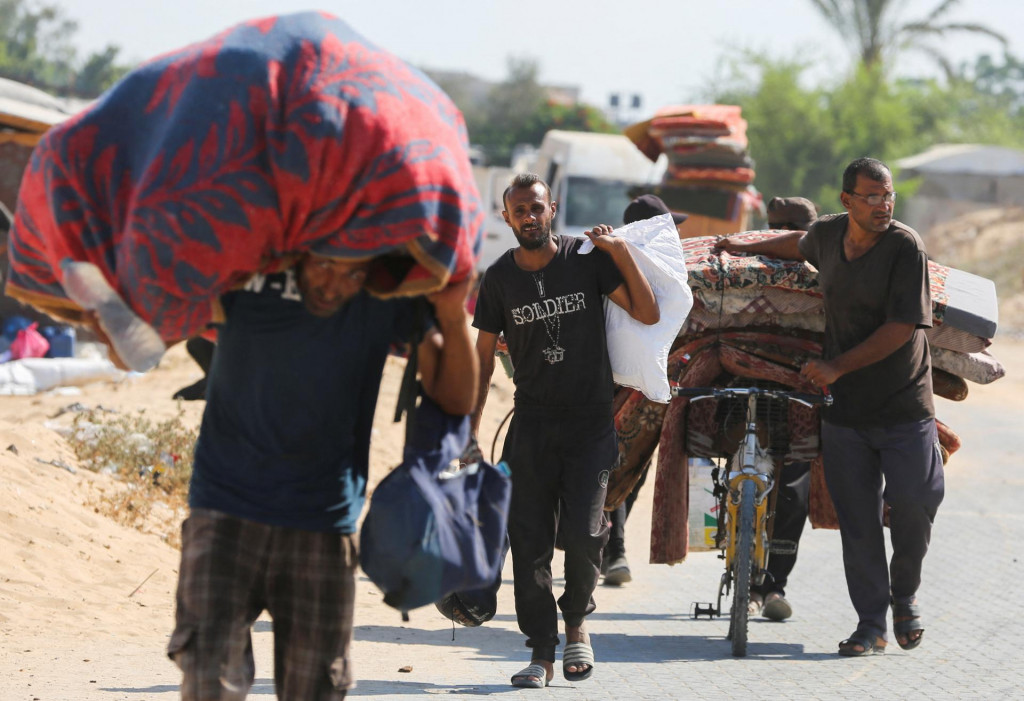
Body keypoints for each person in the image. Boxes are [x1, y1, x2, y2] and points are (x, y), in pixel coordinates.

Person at [167, 253, 477, 699]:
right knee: (206, 680)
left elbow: (455, 399)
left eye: (354, 273)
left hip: (322, 520)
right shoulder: (252, 262)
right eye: (325, 266)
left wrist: (450, 313)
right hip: (224, 508)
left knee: (315, 688)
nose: (334, 285)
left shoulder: (386, 291)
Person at [715, 157, 942, 657]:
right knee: (858, 524)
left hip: (904, 405)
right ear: (847, 200)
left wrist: (836, 366)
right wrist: (739, 244)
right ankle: (871, 624)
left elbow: (902, 327)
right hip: (846, 414)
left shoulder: (904, 247)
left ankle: (904, 595)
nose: (883, 205)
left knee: (914, 504)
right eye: (872, 197)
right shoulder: (828, 235)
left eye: (888, 197)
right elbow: (794, 245)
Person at [472, 173, 658, 687]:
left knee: (582, 534)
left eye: (537, 207)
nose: (529, 217)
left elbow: (647, 312)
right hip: (529, 425)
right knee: (527, 543)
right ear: (505, 218)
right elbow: (482, 362)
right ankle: (541, 652)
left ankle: (577, 621)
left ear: (552, 208)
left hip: (589, 423)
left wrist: (618, 251)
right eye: (519, 211)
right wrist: (467, 432)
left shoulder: (585, 259)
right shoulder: (497, 280)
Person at [602, 194, 689, 587]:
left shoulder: (647, 263)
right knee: (616, 460)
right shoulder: (623, 261)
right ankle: (613, 548)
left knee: (626, 461)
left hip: (636, 380)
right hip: (618, 382)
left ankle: (610, 547)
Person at [748, 195, 819, 621]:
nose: (780, 236)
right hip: (743, 385)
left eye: (790, 228)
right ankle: (744, 571)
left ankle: (774, 586)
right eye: (774, 226)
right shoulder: (748, 266)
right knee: (730, 477)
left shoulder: (828, 267)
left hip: (802, 393)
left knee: (793, 491)